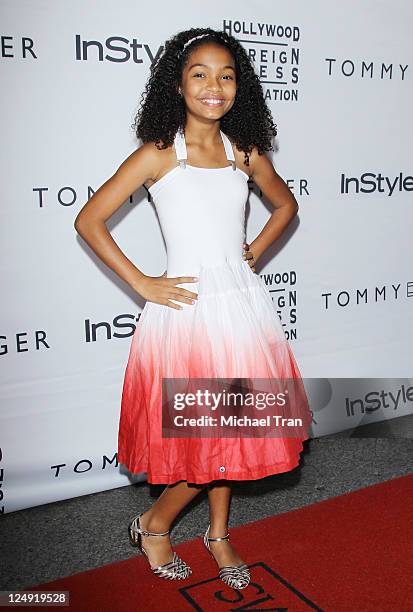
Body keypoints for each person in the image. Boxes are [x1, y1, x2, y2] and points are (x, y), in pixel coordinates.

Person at [74, 27, 312, 590]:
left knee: (237, 432)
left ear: (240, 87)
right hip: (186, 318)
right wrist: (142, 283)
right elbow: (89, 220)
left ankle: (219, 533)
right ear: (176, 85)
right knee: (211, 438)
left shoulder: (243, 152)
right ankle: (155, 524)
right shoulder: (160, 153)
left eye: (226, 75)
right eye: (199, 74)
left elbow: (286, 206)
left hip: (242, 311)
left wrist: (251, 252)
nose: (214, 86)